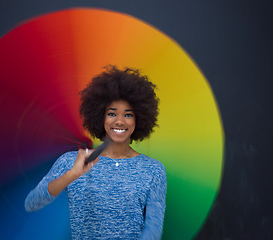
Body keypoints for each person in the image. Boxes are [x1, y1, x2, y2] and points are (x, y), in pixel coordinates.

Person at [25, 65, 167, 240]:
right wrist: (73, 174)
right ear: (100, 116)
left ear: (139, 119)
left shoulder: (153, 169)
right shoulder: (72, 161)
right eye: (112, 114)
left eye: (128, 115)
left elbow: (153, 228)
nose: (120, 121)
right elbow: (32, 203)